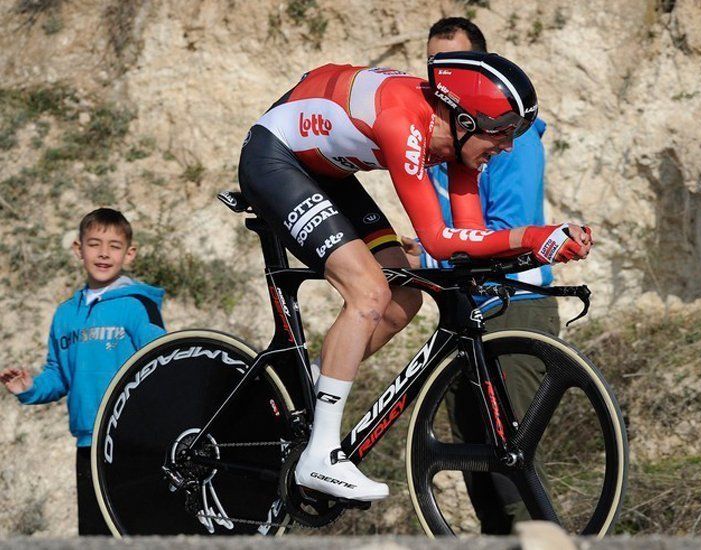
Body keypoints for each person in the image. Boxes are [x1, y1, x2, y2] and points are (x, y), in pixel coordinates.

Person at [238, 51, 592, 502]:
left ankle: (311, 380)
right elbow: (440, 239)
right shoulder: (402, 122)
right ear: (463, 119)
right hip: (276, 159)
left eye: (514, 134)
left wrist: (541, 244)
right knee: (369, 293)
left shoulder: (461, 146)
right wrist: (536, 236)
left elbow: (469, 240)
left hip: (326, 172)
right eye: (502, 132)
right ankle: (320, 456)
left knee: (405, 295)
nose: (507, 146)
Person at [398, 17, 558, 533]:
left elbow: (510, 236)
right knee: (477, 475)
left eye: (453, 66)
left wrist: (425, 258)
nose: (440, 79)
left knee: (511, 473)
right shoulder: (436, 137)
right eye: (431, 67)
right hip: (464, 311)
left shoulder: (514, 140)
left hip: (515, 309)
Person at [0, 208, 166, 535]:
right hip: (88, 444)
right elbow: (59, 376)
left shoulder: (136, 305)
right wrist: (31, 387)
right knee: (94, 535)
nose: (104, 253)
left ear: (129, 254)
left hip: (133, 439)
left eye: (114, 246)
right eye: (94, 244)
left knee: (140, 530)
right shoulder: (65, 315)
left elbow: (163, 360)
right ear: (79, 250)